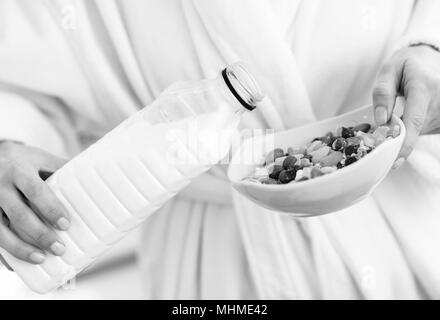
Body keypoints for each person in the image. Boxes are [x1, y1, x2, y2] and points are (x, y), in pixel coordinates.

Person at [0, 0, 440, 299]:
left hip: (398, 206)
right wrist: (9, 142)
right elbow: (22, 70)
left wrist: (431, 47)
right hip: (211, 256)